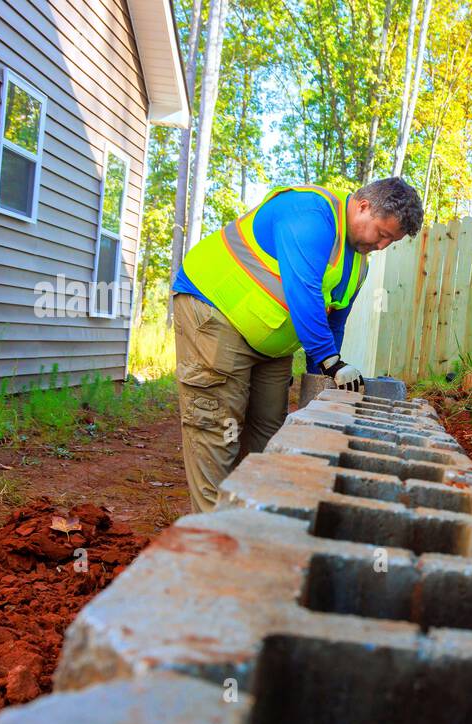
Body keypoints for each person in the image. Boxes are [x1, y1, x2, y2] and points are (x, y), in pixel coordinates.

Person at [169, 177, 424, 512]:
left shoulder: (358, 263)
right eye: (383, 234)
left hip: (271, 340)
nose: (382, 246)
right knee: (219, 428)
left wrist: (325, 373)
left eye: (391, 241)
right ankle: (214, 537)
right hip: (216, 312)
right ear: (363, 206)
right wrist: (331, 361)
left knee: (269, 430)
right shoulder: (309, 215)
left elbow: (335, 320)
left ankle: (252, 517)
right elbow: (304, 291)